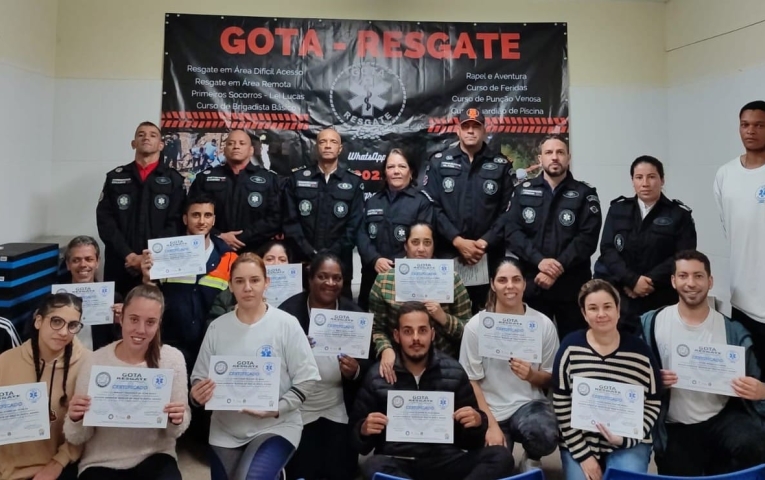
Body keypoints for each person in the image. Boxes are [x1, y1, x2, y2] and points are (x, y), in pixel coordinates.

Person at [190, 253, 320, 480]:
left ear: (266, 283)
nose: (247, 287)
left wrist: (278, 408)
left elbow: (308, 378)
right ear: (230, 285)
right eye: (239, 281)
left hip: (276, 425)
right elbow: (199, 377)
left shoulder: (286, 324)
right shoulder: (217, 328)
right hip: (225, 430)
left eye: (255, 280)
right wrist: (197, 394)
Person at [350, 301, 515, 479]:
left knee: (501, 457)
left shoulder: (453, 371)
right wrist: (364, 430)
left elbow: (470, 443)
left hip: (446, 460)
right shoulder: (378, 376)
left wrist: (476, 423)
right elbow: (358, 442)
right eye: (408, 331)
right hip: (400, 460)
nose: (416, 338)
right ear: (397, 336)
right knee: (373, 465)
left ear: (432, 334)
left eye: (422, 330)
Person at [639, 250, 765, 476]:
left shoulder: (733, 331)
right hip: (675, 425)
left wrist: (761, 391)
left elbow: (757, 384)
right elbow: (632, 376)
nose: (691, 283)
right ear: (673, 281)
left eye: (698, 276)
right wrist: (652, 381)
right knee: (677, 470)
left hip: (721, 418)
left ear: (710, 281)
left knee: (755, 443)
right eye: (683, 275)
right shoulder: (652, 323)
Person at [64, 285, 190, 480]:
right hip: (102, 461)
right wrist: (75, 419)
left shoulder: (172, 360)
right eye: (133, 319)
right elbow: (77, 437)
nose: (140, 329)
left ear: (159, 324)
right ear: (121, 318)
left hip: (155, 454)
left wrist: (177, 418)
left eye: (150, 322)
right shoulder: (95, 362)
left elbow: (175, 431)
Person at [553, 279, 662, 480]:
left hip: (629, 441)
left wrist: (626, 439)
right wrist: (584, 456)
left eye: (607, 307)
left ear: (618, 310)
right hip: (580, 441)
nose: (601, 314)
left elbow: (653, 401)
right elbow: (562, 404)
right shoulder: (570, 348)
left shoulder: (641, 352)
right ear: (584, 313)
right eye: (593, 308)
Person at [459, 258, 560, 472]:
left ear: (524, 284)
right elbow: (471, 380)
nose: (510, 286)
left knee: (546, 435)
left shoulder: (542, 324)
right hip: (490, 407)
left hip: (529, 404)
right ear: (493, 284)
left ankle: (532, 458)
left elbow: (551, 377)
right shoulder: (476, 326)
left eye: (516, 279)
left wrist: (531, 375)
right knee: (497, 462)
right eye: (502, 280)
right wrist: (491, 425)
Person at [279, 253, 369, 480]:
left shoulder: (355, 315)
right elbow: (273, 363)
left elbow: (368, 364)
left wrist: (355, 371)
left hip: (337, 404)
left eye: (336, 278)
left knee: (340, 471)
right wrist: (294, 355)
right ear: (310, 278)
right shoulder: (288, 314)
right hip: (299, 405)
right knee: (303, 470)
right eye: (323, 276)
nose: (330, 283)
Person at [505, 135, 602, 340]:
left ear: (568, 157)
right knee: (531, 346)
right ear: (540, 159)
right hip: (533, 284)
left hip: (572, 287)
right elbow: (512, 232)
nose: (555, 157)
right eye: (549, 153)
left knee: (575, 344)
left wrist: (557, 267)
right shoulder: (523, 191)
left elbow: (587, 238)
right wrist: (540, 261)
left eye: (560, 152)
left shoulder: (585, 193)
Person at [423, 108, 515, 313]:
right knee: (447, 317)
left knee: (488, 317)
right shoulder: (439, 162)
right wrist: (457, 241)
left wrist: (483, 243)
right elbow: (431, 206)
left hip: (488, 256)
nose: (471, 131)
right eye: (466, 126)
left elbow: (509, 211)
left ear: (484, 131)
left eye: (476, 126)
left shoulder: (500, 165)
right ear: (458, 130)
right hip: (448, 254)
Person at [596, 156, 696, 334]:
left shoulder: (679, 215)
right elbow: (607, 249)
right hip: (621, 296)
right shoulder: (618, 210)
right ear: (632, 181)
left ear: (662, 180)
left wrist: (647, 281)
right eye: (639, 177)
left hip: (660, 297)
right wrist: (632, 281)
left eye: (651, 177)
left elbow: (683, 257)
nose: (645, 183)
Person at [140, 194, 237, 372]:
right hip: (170, 345)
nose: (202, 221)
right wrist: (147, 279)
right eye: (195, 215)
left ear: (214, 220)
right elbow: (152, 300)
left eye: (207, 215)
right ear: (185, 219)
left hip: (213, 348)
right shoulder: (164, 253)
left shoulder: (229, 258)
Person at [0, 293, 89, 480]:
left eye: (72, 325)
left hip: (60, 468)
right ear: (38, 321)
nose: (64, 332)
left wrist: (59, 462)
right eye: (56, 322)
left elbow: (88, 430)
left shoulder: (88, 364)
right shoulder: (5, 361)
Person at [370, 222, 472, 383]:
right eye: (415, 242)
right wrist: (385, 349)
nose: (421, 249)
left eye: (427, 243)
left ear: (433, 246)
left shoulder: (451, 278)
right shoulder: (385, 280)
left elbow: (469, 331)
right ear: (406, 245)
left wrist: (443, 318)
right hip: (397, 365)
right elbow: (376, 329)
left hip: (443, 368)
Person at [96, 121, 185, 296]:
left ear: (161, 145)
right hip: (121, 263)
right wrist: (128, 255)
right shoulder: (115, 177)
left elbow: (176, 222)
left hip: (158, 265)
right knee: (118, 309)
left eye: (153, 135)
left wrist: (150, 256)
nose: (146, 138)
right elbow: (105, 221)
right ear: (133, 143)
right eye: (141, 134)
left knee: (157, 310)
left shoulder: (174, 180)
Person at [714, 100, 765, 375]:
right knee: (746, 378)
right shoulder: (725, 174)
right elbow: (730, 228)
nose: (751, 131)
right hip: (742, 299)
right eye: (745, 125)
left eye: (759, 125)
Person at [284, 128, 363, 299]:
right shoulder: (298, 179)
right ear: (316, 147)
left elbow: (354, 227)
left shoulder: (353, 182)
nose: (327, 145)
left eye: (333, 142)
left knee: (340, 312)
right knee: (298, 311)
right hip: (303, 263)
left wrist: (329, 255)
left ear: (340, 149)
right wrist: (310, 253)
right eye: (322, 142)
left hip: (339, 265)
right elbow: (290, 222)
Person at [357, 148, 434, 310]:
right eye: (391, 167)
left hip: (406, 278)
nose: (396, 171)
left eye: (402, 166)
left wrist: (396, 266)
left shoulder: (421, 203)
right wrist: (375, 259)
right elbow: (361, 234)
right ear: (385, 173)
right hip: (372, 276)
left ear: (411, 172)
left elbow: (423, 242)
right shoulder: (373, 201)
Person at [188, 130, 282, 253]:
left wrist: (242, 237)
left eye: (242, 143)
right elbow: (190, 213)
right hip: (213, 249)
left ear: (251, 150)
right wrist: (219, 236)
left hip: (256, 250)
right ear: (224, 150)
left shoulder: (269, 179)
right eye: (231, 143)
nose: (236, 146)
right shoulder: (205, 178)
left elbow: (275, 218)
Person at [61, 236, 123, 350]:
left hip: (100, 357)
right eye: (76, 260)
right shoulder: (54, 299)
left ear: (97, 262)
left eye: (89, 259)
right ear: (68, 265)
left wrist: (123, 322)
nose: (83, 264)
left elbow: (120, 343)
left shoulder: (113, 299)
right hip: (64, 357)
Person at [206, 240, 291, 322]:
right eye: (269, 259)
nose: (276, 264)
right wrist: (234, 315)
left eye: (282, 260)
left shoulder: (296, 295)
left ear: (266, 282)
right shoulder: (225, 298)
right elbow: (214, 327)